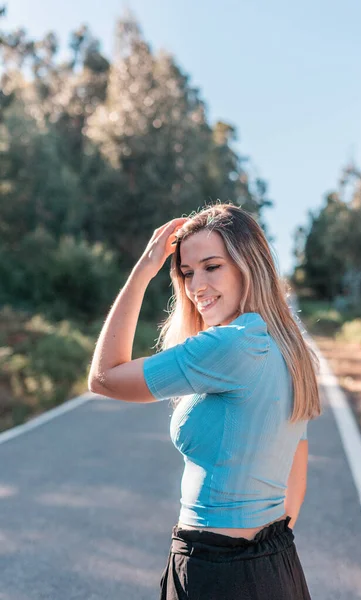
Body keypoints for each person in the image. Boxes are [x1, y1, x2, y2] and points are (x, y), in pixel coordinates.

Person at [88, 202, 322, 599]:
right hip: (276, 561)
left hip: (216, 568)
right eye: (186, 271)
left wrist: (144, 269)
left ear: (249, 264)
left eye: (212, 266)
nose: (196, 286)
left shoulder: (230, 344)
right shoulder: (288, 345)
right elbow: (294, 479)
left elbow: (104, 377)